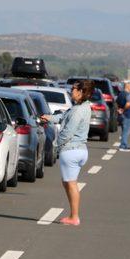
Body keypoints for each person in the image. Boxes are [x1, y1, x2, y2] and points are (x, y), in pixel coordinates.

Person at [40, 80, 92, 226]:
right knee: (68, 182)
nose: (71, 91)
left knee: (70, 183)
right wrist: (49, 118)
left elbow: (68, 132)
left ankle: (74, 217)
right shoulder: (82, 107)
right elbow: (63, 117)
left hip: (71, 150)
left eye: (73, 89)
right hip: (79, 150)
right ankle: (73, 215)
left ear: (81, 92)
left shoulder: (78, 110)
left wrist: (55, 144)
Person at [116, 82, 130, 152]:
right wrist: (123, 109)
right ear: (128, 87)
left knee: (124, 130)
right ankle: (123, 146)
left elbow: (116, 102)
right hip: (127, 115)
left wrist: (119, 109)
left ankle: (124, 144)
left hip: (122, 115)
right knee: (126, 131)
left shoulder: (121, 93)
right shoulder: (127, 94)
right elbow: (128, 104)